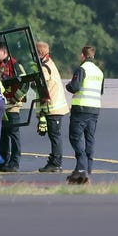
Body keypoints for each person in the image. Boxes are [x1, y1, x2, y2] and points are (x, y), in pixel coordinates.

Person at [65, 45, 104, 184]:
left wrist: (68, 86)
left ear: (82, 55)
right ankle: (87, 170)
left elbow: (75, 87)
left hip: (81, 109)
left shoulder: (82, 69)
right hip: (94, 109)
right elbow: (100, 91)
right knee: (89, 140)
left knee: (75, 138)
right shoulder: (99, 72)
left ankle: (81, 167)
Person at [0, 42, 28, 172]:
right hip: (1, 107)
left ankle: (14, 162)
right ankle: (3, 161)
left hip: (12, 107)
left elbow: (25, 84)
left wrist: (15, 98)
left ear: (4, 52)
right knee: (2, 136)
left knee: (14, 135)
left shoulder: (16, 65)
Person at [35, 41, 70, 173]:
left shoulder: (45, 67)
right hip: (54, 108)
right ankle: (54, 161)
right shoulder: (49, 64)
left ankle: (56, 163)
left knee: (55, 136)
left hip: (53, 108)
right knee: (54, 136)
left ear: (40, 53)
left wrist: (42, 114)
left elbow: (42, 88)